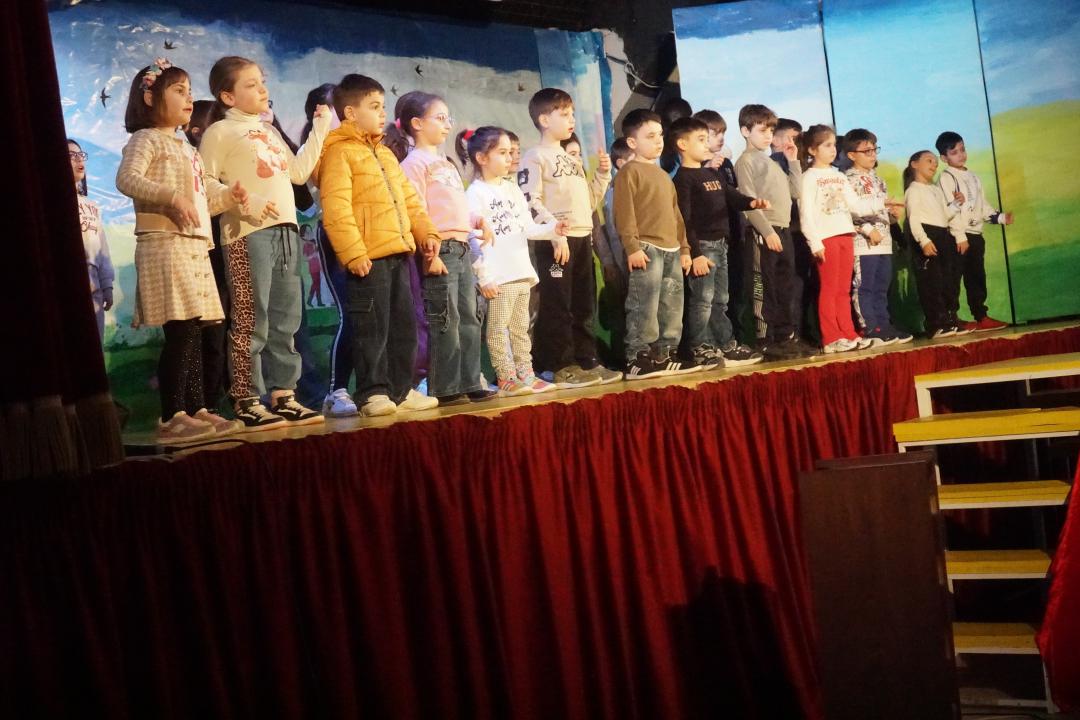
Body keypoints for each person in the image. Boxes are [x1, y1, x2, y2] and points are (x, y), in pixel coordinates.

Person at [115, 58, 249, 442]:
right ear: (150, 98)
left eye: (190, 92)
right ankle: (171, 414)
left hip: (193, 246)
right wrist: (171, 196)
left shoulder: (187, 148)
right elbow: (127, 178)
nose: (189, 99)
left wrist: (229, 196)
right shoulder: (146, 139)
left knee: (196, 329)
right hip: (165, 243)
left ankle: (196, 408)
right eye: (179, 91)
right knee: (182, 331)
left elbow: (201, 201)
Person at [199, 56, 330, 429]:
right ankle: (246, 398)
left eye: (262, 81)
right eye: (251, 84)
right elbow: (204, 184)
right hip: (246, 233)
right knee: (251, 318)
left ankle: (283, 394)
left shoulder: (268, 132)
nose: (262, 89)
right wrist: (240, 199)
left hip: (285, 231)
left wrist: (320, 128)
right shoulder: (219, 132)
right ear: (228, 96)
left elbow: (298, 173)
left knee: (285, 319)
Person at [318, 73, 442, 417]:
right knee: (371, 328)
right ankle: (372, 392)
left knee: (403, 326)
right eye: (374, 106)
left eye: (383, 106)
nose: (382, 113)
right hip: (368, 257)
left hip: (397, 251)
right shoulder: (339, 153)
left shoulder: (385, 154)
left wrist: (426, 232)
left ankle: (399, 390)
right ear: (350, 113)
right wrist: (353, 253)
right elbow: (336, 208)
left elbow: (409, 199)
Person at [388, 91, 496, 405]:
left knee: (469, 317)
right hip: (440, 249)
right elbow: (417, 211)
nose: (447, 124)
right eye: (439, 117)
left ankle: (470, 380)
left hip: (461, 246)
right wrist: (430, 253)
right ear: (417, 123)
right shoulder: (412, 164)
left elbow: (453, 205)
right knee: (445, 319)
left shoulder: (445, 163)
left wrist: (476, 220)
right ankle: (446, 386)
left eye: (449, 118)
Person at [519, 88, 619, 387]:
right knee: (557, 303)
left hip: (580, 239)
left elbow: (587, 203)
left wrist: (602, 176)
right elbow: (530, 200)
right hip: (554, 245)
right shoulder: (535, 156)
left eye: (572, 114)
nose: (571, 119)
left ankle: (586, 358)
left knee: (583, 303)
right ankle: (560, 364)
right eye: (564, 114)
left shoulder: (570, 159)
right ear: (544, 120)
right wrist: (553, 232)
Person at [464, 126, 567, 395]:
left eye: (511, 152)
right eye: (502, 152)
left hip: (521, 271)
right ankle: (506, 377)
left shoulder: (512, 189)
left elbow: (528, 228)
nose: (510, 158)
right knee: (498, 329)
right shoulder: (475, 193)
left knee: (521, 327)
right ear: (481, 158)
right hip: (499, 277)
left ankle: (526, 374)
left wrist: (552, 230)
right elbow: (473, 238)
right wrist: (484, 276)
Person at [669, 117, 766, 370]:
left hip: (721, 245)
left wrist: (751, 203)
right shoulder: (683, 179)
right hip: (703, 247)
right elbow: (684, 219)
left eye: (706, 139)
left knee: (720, 299)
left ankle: (725, 343)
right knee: (702, 300)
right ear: (682, 144)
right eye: (701, 140)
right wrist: (695, 253)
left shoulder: (711, 173)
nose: (706, 144)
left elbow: (731, 196)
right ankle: (700, 346)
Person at [799, 125, 897, 353]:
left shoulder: (838, 176)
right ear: (812, 150)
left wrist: (881, 203)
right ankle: (831, 337)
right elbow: (806, 214)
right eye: (827, 145)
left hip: (846, 234)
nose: (833, 150)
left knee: (843, 290)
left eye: (834, 145)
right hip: (827, 238)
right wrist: (814, 242)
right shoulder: (809, 177)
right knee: (829, 289)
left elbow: (856, 206)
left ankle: (848, 333)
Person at [613, 109, 692, 379]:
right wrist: (632, 247)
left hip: (671, 249)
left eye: (660, 135)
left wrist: (684, 248)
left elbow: (676, 215)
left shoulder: (663, 176)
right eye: (650, 136)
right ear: (632, 142)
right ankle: (638, 356)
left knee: (671, 305)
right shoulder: (629, 172)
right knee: (644, 305)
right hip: (646, 248)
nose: (658, 141)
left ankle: (665, 353)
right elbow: (624, 213)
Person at [734, 104, 809, 359]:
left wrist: (793, 161)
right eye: (762, 130)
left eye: (770, 131)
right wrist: (766, 231)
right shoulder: (745, 161)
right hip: (763, 231)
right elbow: (748, 202)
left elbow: (795, 192)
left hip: (783, 229)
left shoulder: (770, 161)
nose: (768, 136)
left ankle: (785, 336)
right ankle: (765, 340)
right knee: (763, 287)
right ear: (745, 131)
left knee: (784, 286)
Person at [183, 100, 233, 415]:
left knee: (227, 331)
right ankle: (200, 406)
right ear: (197, 132)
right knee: (205, 336)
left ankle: (222, 401)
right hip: (200, 261)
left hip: (226, 260)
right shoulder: (190, 166)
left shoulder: (224, 168)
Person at [935, 131, 1012, 331]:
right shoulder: (946, 177)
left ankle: (981, 316)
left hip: (976, 235)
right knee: (953, 278)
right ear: (944, 158)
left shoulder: (974, 177)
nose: (961, 155)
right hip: (957, 237)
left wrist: (999, 217)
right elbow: (949, 209)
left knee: (976, 277)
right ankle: (951, 318)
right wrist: (960, 236)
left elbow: (981, 204)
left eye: (962, 149)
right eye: (954, 152)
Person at [844, 129, 912, 344]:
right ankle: (870, 327)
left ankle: (885, 325)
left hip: (884, 241)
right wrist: (866, 229)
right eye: (867, 151)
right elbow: (847, 212)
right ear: (851, 155)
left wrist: (892, 216)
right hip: (863, 243)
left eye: (874, 149)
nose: (873, 154)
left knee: (882, 287)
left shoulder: (878, 180)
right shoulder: (847, 180)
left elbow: (880, 208)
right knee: (865, 286)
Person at [903, 150, 970, 339]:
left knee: (946, 280)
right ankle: (935, 324)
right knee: (930, 282)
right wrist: (924, 241)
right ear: (914, 164)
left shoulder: (935, 190)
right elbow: (914, 219)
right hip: (927, 236)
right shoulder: (913, 190)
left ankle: (949, 320)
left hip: (942, 234)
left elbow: (944, 214)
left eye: (935, 162)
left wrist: (956, 204)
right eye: (929, 160)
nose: (934, 164)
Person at [69, 139, 114, 342]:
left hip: (94, 287)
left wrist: (107, 286)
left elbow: (102, 249)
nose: (79, 159)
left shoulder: (92, 206)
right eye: (71, 155)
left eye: (80, 155)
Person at [594, 137, 633, 369]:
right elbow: (608, 229)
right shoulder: (614, 189)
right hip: (622, 261)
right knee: (623, 313)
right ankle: (623, 359)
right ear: (620, 163)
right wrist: (609, 262)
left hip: (632, 259)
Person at [301, 224, 325, 307]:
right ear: (303, 234)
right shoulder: (306, 245)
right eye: (307, 232)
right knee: (316, 284)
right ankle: (314, 301)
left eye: (310, 231)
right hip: (313, 268)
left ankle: (315, 301)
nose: (310, 233)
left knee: (317, 284)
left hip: (318, 266)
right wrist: (312, 256)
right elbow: (305, 258)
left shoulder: (313, 242)